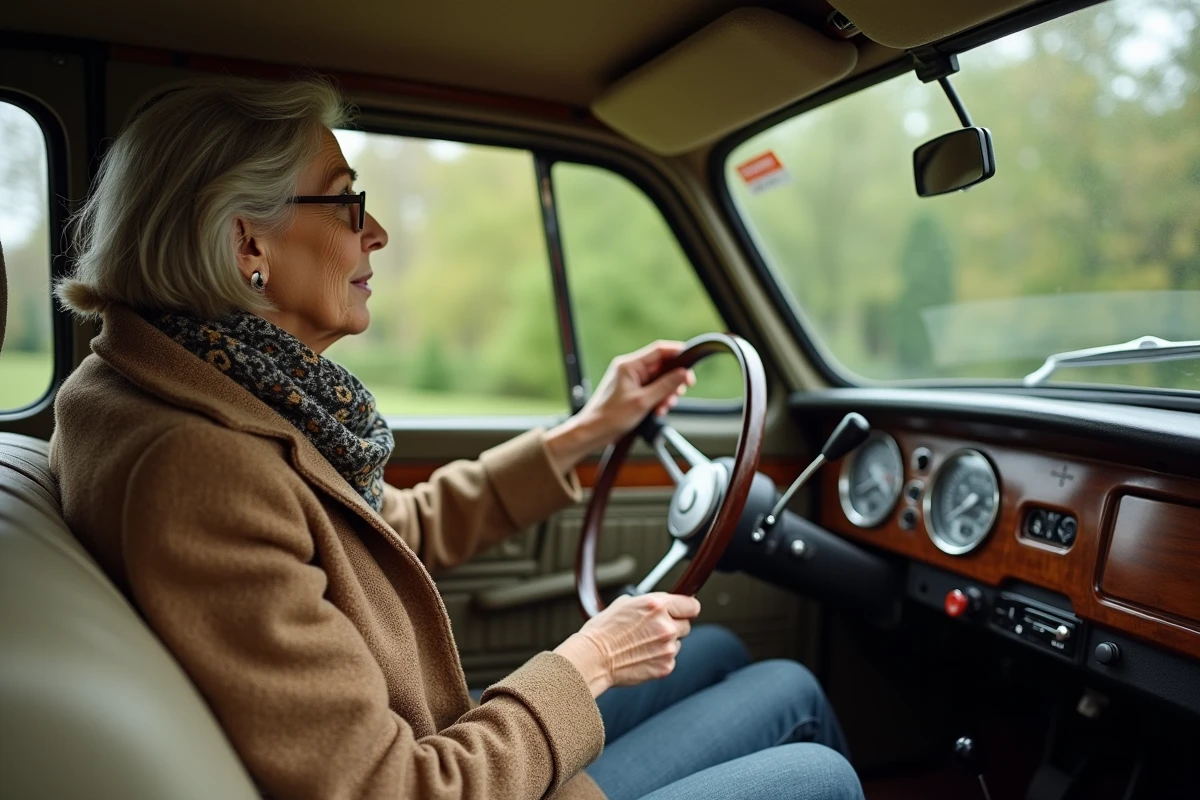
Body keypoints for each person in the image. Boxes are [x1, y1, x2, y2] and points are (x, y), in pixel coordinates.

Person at [48, 76, 862, 800]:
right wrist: (594, 660)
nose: (378, 236)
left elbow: (383, 536)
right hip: (445, 773)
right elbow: (389, 787)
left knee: (713, 649)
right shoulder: (201, 468)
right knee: (804, 728)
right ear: (247, 243)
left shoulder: (195, 393)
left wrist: (587, 432)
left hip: (455, 749)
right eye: (346, 202)